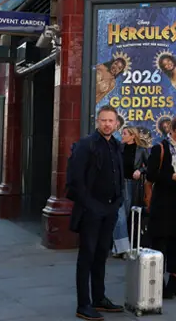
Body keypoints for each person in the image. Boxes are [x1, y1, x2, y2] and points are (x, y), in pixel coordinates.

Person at [68, 105, 125, 321]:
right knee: (87, 256)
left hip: (110, 209)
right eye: (103, 120)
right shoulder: (86, 145)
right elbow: (75, 180)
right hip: (91, 210)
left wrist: (118, 200)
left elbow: (118, 174)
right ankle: (83, 304)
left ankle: (99, 298)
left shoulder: (116, 146)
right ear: (97, 121)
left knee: (102, 254)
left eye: (111, 121)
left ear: (117, 123)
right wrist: (90, 205)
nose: (107, 124)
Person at [146, 112, 176, 299]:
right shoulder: (160, 148)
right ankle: (160, 282)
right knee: (161, 241)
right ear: (170, 131)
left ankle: (175, 281)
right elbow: (150, 175)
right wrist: (170, 176)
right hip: (162, 201)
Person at [111, 126, 150, 257]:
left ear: (133, 136)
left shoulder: (142, 150)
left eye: (125, 133)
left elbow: (150, 166)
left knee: (127, 216)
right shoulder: (119, 148)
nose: (122, 135)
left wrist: (141, 170)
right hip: (119, 184)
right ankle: (123, 249)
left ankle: (118, 249)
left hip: (133, 185)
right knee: (120, 216)